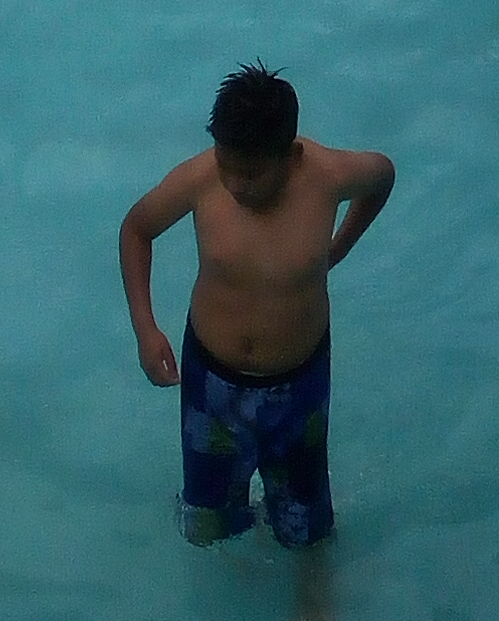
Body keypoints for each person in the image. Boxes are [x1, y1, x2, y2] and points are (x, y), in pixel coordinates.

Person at [118, 64, 394, 560]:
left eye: (252, 173)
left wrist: (340, 247)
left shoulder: (328, 177)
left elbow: (383, 176)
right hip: (212, 383)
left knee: (306, 527)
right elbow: (137, 229)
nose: (237, 184)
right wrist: (146, 329)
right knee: (208, 524)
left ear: (291, 156)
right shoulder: (203, 179)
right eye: (229, 166)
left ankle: (312, 597)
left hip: (299, 386)